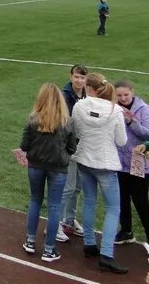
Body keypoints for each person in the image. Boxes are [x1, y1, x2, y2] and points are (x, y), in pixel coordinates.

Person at [71, 72, 128, 274]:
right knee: (113, 208)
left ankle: (89, 244)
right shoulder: (115, 110)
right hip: (105, 163)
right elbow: (121, 141)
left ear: (89, 88)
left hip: (84, 160)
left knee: (89, 201)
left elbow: (75, 132)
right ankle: (106, 254)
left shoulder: (80, 106)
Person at [20, 83, 76, 262]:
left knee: (35, 200)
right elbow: (72, 147)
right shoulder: (67, 122)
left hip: (35, 166)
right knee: (54, 206)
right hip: (58, 169)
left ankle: (30, 241)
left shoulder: (33, 119)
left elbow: (24, 145)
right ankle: (49, 249)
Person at [114, 80, 149, 245]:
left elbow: (147, 134)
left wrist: (130, 122)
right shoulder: (114, 108)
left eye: (126, 94)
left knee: (141, 202)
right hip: (119, 163)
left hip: (139, 163)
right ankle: (126, 231)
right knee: (122, 199)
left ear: (132, 92)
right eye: (119, 95)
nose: (123, 98)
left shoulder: (144, 109)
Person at [59, 64, 87, 239]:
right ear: (71, 77)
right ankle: (55, 225)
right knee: (68, 188)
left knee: (77, 187)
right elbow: (64, 120)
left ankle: (70, 219)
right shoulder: (64, 95)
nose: (79, 80)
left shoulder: (87, 94)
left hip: (82, 146)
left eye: (82, 77)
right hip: (68, 146)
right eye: (76, 77)